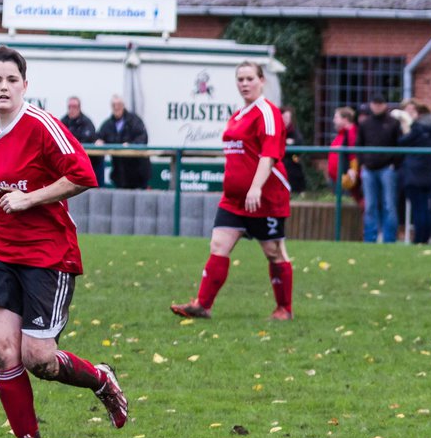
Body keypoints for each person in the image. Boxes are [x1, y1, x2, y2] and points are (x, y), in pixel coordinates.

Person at [0, 45, 127, 438]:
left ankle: (101, 378)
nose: (3, 87)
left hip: (47, 255)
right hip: (0, 254)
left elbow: (83, 175)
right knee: (2, 349)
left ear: (25, 85)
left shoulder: (41, 126)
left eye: (11, 80)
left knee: (39, 358)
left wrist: (29, 198)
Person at [169, 61, 294, 321]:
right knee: (218, 245)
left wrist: (256, 188)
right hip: (234, 200)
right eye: (240, 79)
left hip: (265, 198)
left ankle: (284, 309)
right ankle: (203, 305)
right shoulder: (239, 114)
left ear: (262, 81)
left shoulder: (268, 113)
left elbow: (269, 155)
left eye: (250, 78)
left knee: (274, 252)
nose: (245, 84)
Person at [356, 93, 403, 243]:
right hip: (369, 169)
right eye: (374, 104)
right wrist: (363, 162)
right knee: (370, 205)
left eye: (379, 104)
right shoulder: (365, 124)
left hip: (387, 169)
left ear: (384, 105)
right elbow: (359, 144)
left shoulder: (393, 123)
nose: (377, 107)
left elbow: (400, 145)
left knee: (389, 205)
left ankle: (389, 239)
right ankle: (370, 238)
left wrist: (394, 164)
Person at [398, 100, 431, 244]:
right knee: (424, 207)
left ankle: (420, 239)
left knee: (419, 209)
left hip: (415, 174)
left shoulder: (418, 128)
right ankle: (425, 237)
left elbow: (402, 141)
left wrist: (407, 123)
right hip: (426, 173)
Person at [96, 94, 152, 190]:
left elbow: (143, 138)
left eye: (119, 104)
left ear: (123, 105)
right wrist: (98, 141)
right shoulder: (107, 124)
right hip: (119, 175)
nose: (116, 107)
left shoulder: (135, 120)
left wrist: (131, 145)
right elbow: (99, 137)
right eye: (114, 105)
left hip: (137, 173)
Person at [60, 96, 103, 179]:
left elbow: (91, 138)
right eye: (70, 107)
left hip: (87, 163)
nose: (72, 109)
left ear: (79, 108)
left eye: (74, 107)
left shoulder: (87, 122)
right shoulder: (63, 122)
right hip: (69, 164)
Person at [327, 106, 361, 204]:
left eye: (336, 117)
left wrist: (353, 170)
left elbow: (353, 155)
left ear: (345, 119)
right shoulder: (342, 134)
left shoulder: (351, 133)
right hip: (340, 179)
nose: (334, 120)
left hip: (348, 179)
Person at [279, 106, 308, 195]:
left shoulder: (294, 131)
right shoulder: (276, 130)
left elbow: (299, 143)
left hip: (292, 160)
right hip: (279, 161)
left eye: (288, 118)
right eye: (284, 117)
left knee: (295, 168)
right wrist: (285, 142)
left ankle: (298, 192)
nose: (286, 120)